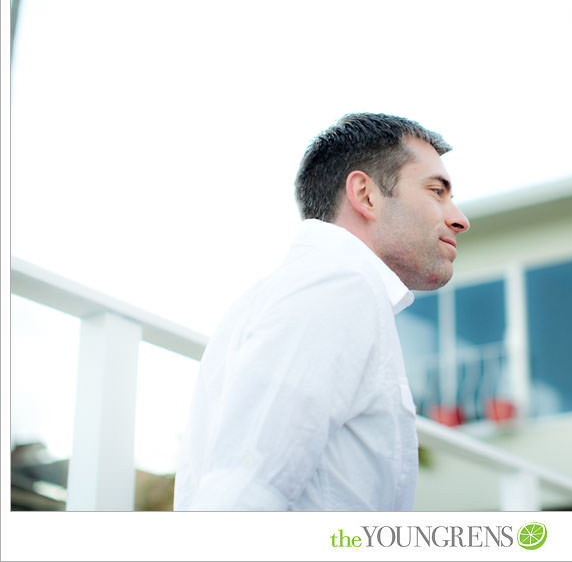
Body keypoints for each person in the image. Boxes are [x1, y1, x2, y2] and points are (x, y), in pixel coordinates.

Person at [174, 113, 470, 510]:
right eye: (437, 191)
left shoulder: (302, 289)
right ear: (365, 195)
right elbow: (244, 489)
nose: (459, 218)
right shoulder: (337, 288)